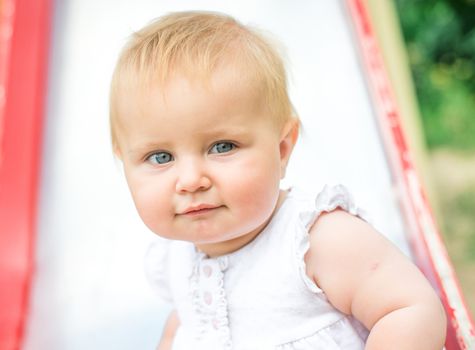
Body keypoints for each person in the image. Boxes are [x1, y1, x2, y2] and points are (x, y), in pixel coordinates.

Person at [109, 11, 447, 350]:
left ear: (282, 148)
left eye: (222, 147)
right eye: (160, 157)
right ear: (125, 162)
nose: (191, 180)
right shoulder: (175, 258)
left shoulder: (316, 242)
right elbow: (188, 326)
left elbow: (408, 308)